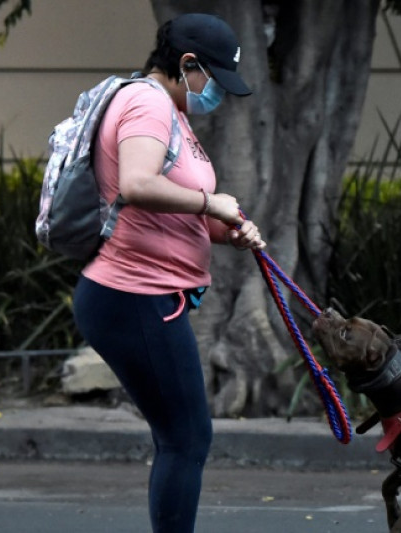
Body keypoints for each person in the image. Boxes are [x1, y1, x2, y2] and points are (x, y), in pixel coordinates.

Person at [71, 14, 266, 533]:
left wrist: (226, 227)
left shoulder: (172, 111)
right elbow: (135, 184)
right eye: (214, 80)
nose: (217, 94)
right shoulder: (148, 103)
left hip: (143, 295)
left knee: (179, 436)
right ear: (186, 65)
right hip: (133, 295)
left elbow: (168, 208)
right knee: (187, 437)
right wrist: (211, 201)